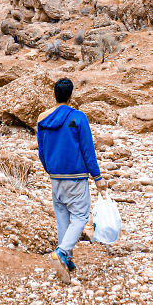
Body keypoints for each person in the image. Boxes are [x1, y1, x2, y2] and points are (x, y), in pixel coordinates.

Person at [36, 78, 108, 283]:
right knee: (80, 216)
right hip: (75, 177)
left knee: (62, 218)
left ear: (54, 94)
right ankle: (62, 251)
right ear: (71, 95)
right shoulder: (78, 117)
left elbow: (41, 150)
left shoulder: (43, 118)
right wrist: (98, 177)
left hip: (55, 177)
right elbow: (88, 150)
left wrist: (49, 168)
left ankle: (65, 259)